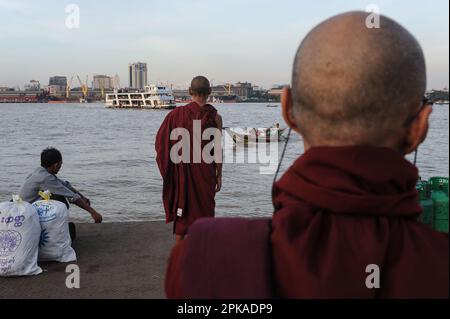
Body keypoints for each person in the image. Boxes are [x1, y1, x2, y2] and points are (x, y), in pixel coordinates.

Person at [165, 12, 449, 298]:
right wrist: (217, 172)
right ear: (420, 127)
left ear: (287, 110)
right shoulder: (438, 268)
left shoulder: (201, 262)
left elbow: (164, 150)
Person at [156, 76, 223, 243]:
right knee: (206, 216)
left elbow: (161, 145)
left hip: (183, 176)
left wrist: (172, 170)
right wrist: (219, 174)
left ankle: (180, 259)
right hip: (206, 175)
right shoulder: (215, 118)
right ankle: (202, 256)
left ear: (189, 92)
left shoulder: (175, 115)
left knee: (182, 218)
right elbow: (217, 151)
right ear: (209, 92)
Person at [19, 148, 103, 238]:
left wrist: (82, 197)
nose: (60, 167)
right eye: (60, 164)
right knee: (60, 199)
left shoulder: (40, 172)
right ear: (56, 165)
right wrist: (93, 212)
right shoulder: (45, 178)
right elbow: (72, 197)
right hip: (26, 214)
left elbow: (65, 185)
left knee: (55, 195)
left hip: (23, 208)